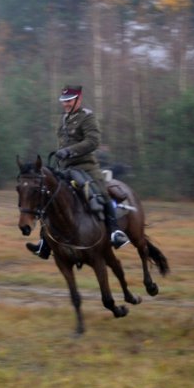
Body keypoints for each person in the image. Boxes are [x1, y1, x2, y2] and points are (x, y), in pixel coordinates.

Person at [27, 84, 130, 259]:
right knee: (48, 197)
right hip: (65, 168)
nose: (66, 104)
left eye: (69, 101)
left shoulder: (87, 117)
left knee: (100, 193)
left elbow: (93, 141)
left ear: (78, 99)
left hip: (86, 166)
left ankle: (115, 233)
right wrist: (61, 155)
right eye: (64, 101)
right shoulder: (63, 118)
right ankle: (45, 243)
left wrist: (70, 151)